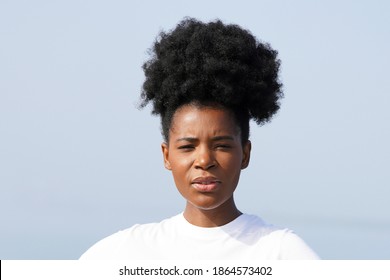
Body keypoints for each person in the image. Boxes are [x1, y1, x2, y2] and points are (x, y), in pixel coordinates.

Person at [80, 18, 319, 260]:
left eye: (222, 146)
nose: (204, 160)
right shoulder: (121, 253)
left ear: (245, 154)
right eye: (187, 146)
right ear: (167, 155)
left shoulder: (283, 253)